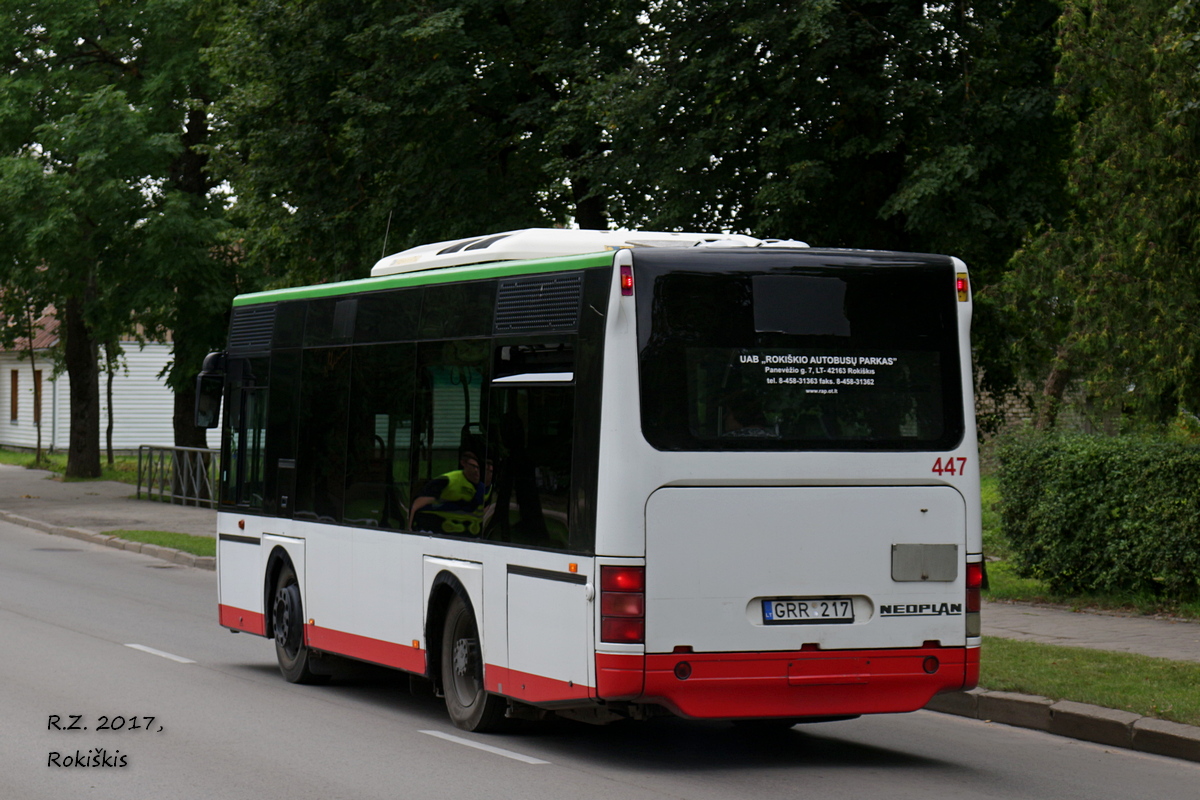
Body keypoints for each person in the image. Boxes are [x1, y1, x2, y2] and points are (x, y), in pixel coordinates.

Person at [408, 447, 494, 535]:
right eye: (473, 466)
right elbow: (417, 504)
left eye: (478, 468)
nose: (476, 470)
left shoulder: (484, 490)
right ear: (463, 463)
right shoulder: (448, 480)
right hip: (435, 532)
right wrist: (409, 528)